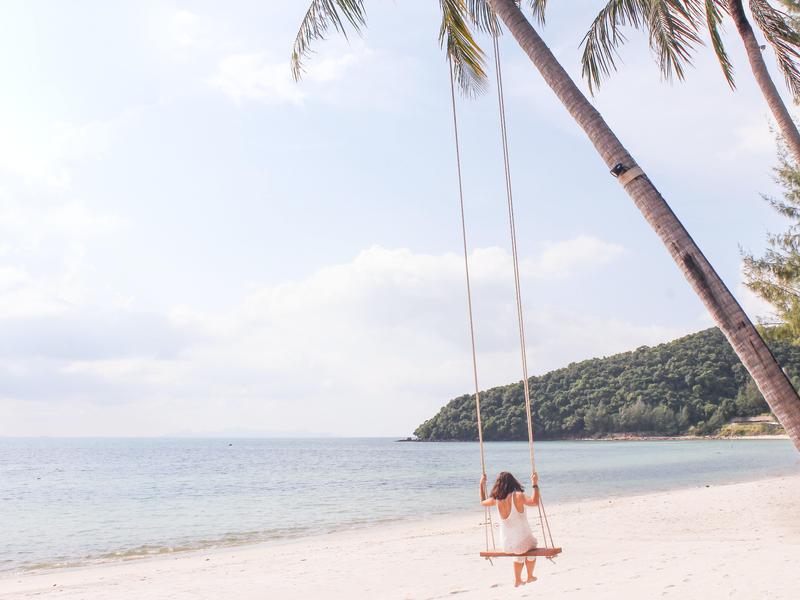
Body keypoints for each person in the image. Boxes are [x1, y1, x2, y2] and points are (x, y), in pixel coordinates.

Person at [479, 471, 540, 587]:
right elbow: (535, 502)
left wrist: (481, 484)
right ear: (513, 482)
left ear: (498, 484)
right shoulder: (518, 495)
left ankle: (518, 579)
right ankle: (530, 576)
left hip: (506, 545)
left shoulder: (496, 499)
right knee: (532, 545)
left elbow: (482, 502)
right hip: (521, 544)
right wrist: (535, 484)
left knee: (521, 549)